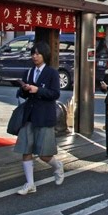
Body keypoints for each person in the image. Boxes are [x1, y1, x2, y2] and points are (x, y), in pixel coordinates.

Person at [13, 40, 65, 194]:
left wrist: (38, 90)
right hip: (29, 115)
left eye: (38, 54)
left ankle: (58, 166)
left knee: (44, 154)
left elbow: (55, 94)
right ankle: (30, 184)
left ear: (45, 56)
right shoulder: (28, 72)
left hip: (44, 116)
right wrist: (24, 89)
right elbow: (23, 94)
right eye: (33, 54)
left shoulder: (52, 73)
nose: (34, 57)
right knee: (26, 150)